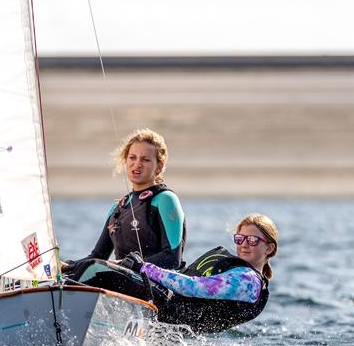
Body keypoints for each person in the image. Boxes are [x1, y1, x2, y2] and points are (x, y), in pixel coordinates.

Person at [64, 128, 186, 290]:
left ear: (159, 166)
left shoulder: (165, 199)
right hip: (122, 284)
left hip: (157, 288)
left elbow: (172, 259)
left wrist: (123, 264)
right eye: (132, 158)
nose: (137, 164)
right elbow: (97, 256)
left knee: (94, 269)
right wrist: (66, 266)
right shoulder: (118, 208)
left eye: (146, 159)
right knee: (70, 274)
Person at [116, 213, 279, 332]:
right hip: (169, 316)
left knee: (102, 272)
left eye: (252, 240)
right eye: (240, 239)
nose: (244, 245)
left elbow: (190, 287)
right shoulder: (237, 271)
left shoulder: (248, 281)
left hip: (172, 312)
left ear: (269, 248)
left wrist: (144, 267)